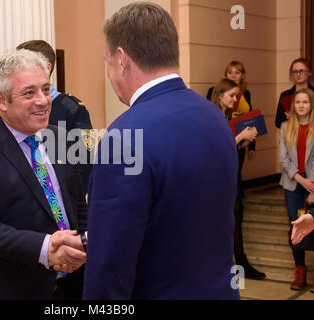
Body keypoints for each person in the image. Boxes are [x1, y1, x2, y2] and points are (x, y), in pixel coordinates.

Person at [82, 2, 240, 299]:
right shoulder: (214, 116)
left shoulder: (125, 136)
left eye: (106, 60)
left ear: (121, 59)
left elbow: (110, 269)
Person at [0, 49, 87, 300]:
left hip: (70, 287)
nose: (43, 100)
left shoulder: (60, 138)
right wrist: (45, 247)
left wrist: (84, 245)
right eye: (29, 93)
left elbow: (78, 206)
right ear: (2, 100)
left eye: (46, 90)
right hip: (11, 288)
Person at [16, 40, 93, 194]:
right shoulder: (17, 106)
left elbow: (85, 160)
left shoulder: (73, 109)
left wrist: (71, 203)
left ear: (47, 67)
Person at [211, 78, 265, 280]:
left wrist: (243, 143)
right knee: (227, 221)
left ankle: (240, 263)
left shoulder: (225, 116)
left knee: (236, 219)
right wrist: (240, 136)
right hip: (219, 179)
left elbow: (228, 149)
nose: (235, 99)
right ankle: (234, 265)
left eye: (237, 95)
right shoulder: (213, 116)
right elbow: (217, 149)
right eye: (232, 95)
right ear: (220, 96)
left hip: (231, 176)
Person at [279, 88, 314, 290]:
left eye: (305, 102)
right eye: (298, 102)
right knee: (295, 226)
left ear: (311, 105)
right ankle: (299, 270)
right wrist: (301, 180)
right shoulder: (285, 127)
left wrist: (312, 189)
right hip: (293, 184)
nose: (301, 105)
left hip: (313, 184)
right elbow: (283, 158)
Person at [275, 58, 314, 129]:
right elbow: (278, 122)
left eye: (302, 71)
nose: (298, 74)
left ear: (309, 72)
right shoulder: (285, 95)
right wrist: (290, 119)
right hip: (291, 135)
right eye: (295, 71)